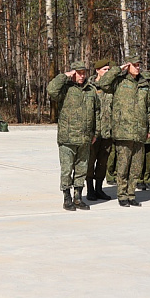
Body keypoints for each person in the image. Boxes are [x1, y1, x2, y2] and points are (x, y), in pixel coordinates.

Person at [98, 57, 150, 207]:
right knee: (122, 166)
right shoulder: (119, 81)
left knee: (136, 167)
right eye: (134, 65)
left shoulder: (144, 83)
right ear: (128, 66)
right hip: (124, 130)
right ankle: (122, 195)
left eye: (138, 65)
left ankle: (131, 194)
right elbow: (103, 83)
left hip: (140, 131)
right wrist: (118, 69)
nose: (137, 68)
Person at [47, 61, 99, 211]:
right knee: (67, 169)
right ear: (73, 73)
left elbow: (97, 112)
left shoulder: (91, 90)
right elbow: (51, 90)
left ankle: (78, 197)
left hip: (85, 137)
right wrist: (64, 76)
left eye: (84, 73)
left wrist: (96, 132)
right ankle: (67, 197)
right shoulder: (65, 89)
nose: (82, 76)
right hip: (67, 138)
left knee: (82, 169)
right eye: (79, 73)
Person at [89, 59, 116, 200]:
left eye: (109, 70)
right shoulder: (90, 86)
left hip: (108, 131)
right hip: (94, 132)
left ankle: (99, 189)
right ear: (97, 70)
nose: (107, 72)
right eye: (105, 69)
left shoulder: (112, 87)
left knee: (102, 162)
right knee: (90, 161)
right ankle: (90, 190)